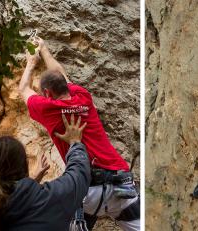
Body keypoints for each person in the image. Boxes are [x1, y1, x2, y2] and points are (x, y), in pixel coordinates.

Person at [18, 37, 140, 230]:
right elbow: (61, 73)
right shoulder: (83, 96)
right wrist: (44, 49)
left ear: (48, 94)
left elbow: (23, 89)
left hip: (86, 190)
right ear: (66, 87)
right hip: (120, 182)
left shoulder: (47, 109)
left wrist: (31, 61)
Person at [0, 114, 91, 231]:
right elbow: (78, 177)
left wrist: (31, 183)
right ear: (23, 165)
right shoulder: (46, 200)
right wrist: (75, 142)